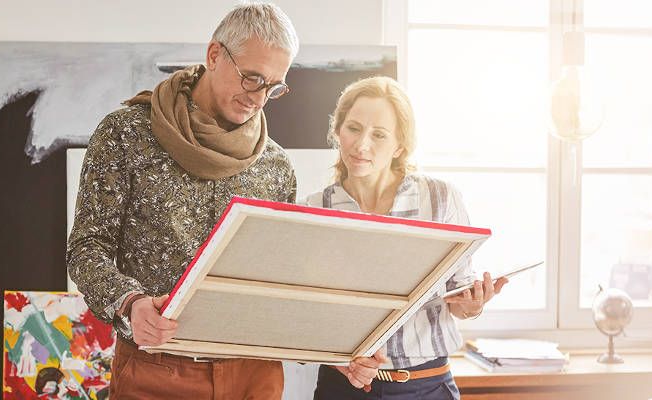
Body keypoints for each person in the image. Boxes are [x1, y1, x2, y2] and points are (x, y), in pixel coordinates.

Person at [66, 3, 299, 399]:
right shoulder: (125, 136)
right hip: (154, 369)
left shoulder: (276, 167)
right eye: (251, 78)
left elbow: (281, 279)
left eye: (273, 86)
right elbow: (87, 249)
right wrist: (130, 302)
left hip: (254, 373)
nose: (259, 98)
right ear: (214, 55)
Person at [305, 77, 508, 400]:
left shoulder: (440, 198)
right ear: (337, 130)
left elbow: (460, 298)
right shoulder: (313, 209)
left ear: (400, 146)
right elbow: (304, 314)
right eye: (353, 128)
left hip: (428, 386)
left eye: (379, 135)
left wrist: (472, 306)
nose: (361, 145)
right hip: (343, 389)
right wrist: (340, 360)